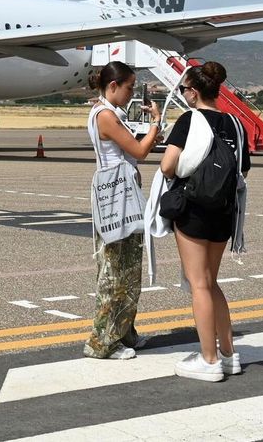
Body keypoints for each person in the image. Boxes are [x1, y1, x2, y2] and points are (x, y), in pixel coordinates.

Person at [157, 60, 251, 382]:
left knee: (198, 284)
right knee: (211, 282)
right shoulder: (235, 124)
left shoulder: (189, 119)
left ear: (194, 92)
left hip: (194, 210)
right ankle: (228, 354)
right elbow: (243, 168)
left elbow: (167, 166)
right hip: (225, 213)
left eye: (184, 90)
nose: (183, 95)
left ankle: (208, 360)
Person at [83, 62, 162, 361]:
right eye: (129, 87)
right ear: (113, 86)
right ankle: (102, 341)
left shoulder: (106, 112)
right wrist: (155, 123)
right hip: (117, 194)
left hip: (118, 191)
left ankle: (124, 330)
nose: (131, 94)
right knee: (117, 270)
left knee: (127, 265)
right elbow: (140, 151)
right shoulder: (106, 116)